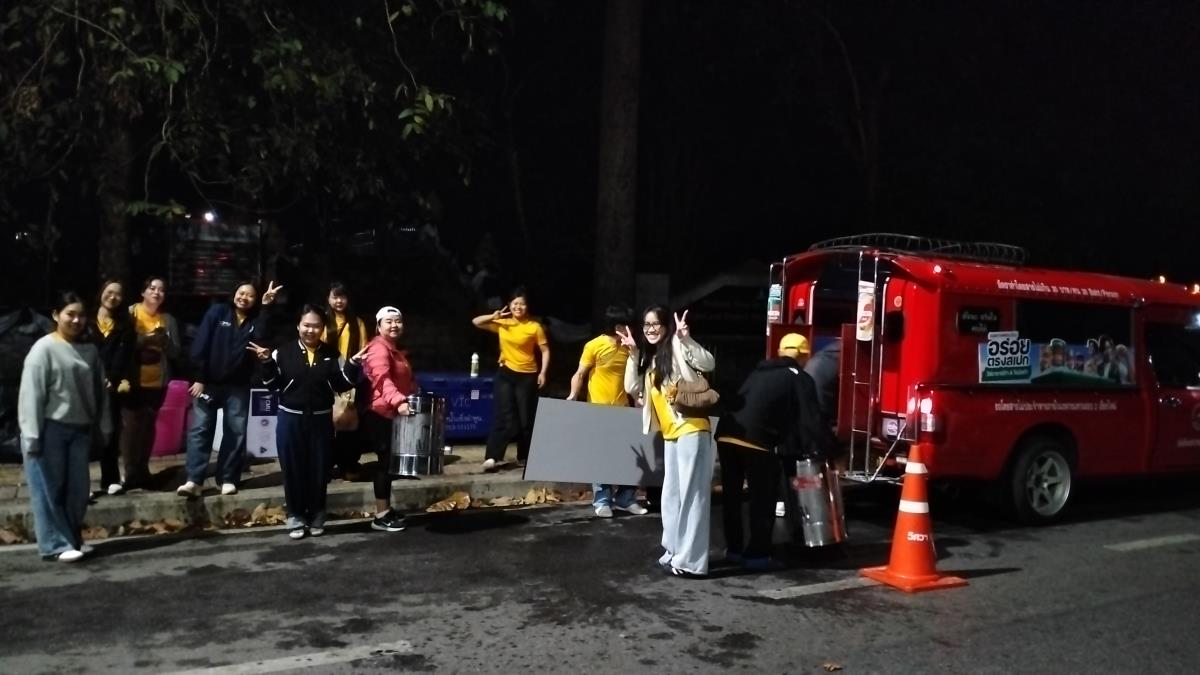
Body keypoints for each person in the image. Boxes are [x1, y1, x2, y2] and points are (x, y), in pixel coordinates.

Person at [716, 333, 834, 570]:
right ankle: (757, 554)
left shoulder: (759, 371)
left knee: (732, 498)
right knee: (763, 497)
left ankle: (734, 550)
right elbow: (809, 420)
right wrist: (823, 449)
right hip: (757, 441)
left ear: (780, 352)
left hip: (726, 435)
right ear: (804, 356)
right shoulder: (799, 377)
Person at [249, 305, 365, 540]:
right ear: (298, 326)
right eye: (306, 325)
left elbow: (341, 384)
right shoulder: (282, 353)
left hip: (321, 420)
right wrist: (266, 362)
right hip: (290, 419)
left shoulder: (332, 354)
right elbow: (272, 385)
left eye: (316, 326)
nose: (310, 330)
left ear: (322, 329)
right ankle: (295, 515)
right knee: (293, 469)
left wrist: (353, 364)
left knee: (319, 469)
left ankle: (317, 514)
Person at [617, 306, 716, 578]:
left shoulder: (676, 345)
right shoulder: (652, 358)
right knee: (671, 497)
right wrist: (633, 355)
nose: (650, 329)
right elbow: (632, 388)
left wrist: (686, 339)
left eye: (656, 324)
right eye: (646, 324)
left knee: (692, 497)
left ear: (666, 326)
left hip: (691, 428)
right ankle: (673, 550)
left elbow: (708, 363)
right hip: (671, 434)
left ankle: (692, 562)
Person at [18, 291, 112, 561]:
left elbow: (100, 392)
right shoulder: (43, 349)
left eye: (81, 315)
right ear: (56, 315)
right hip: (50, 429)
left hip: (80, 429)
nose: (76, 320)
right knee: (49, 490)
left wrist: (104, 427)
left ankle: (72, 538)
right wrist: (31, 436)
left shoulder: (90, 350)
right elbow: (31, 395)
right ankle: (54, 544)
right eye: (70, 314)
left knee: (78, 490)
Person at [176, 281, 281, 498]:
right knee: (200, 430)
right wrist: (199, 378)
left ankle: (227, 478)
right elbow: (201, 344)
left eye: (250, 295)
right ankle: (194, 480)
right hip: (208, 383)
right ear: (234, 294)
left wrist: (266, 306)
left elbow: (262, 338)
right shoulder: (218, 312)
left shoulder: (255, 320)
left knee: (236, 432)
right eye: (241, 292)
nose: (244, 297)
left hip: (238, 386)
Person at [567, 304, 648, 518]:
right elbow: (580, 373)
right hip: (598, 410)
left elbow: (635, 378)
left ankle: (625, 498)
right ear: (615, 326)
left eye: (630, 325)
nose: (628, 328)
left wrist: (638, 399)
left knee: (630, 457)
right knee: (601, 457)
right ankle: (602, 501)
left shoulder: (631, 347)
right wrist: (573, 395)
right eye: (624, 325)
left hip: (623, 409)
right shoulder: (595, 345)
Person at [472, 287, 550, 472]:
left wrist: (543, 373)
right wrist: (493, 316)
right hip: (505, 373)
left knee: (525, 419)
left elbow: (545, 350)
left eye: (522, 304)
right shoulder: (503, 323)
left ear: (527, 307)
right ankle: (492, 457)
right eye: (515, 304)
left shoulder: (534, 327)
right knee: (503, 415)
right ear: (509, 305)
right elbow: (476, 322)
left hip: (527, 376)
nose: (518, 307)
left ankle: (525, 456)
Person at [120, 276, 180, 490]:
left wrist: (165, 342)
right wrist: (144, 339)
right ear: (143, 292)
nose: (156, 292)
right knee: (131, 426)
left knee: (148, 425)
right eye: (152, 288)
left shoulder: (168, 320)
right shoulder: (130, 313)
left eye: (161, 290)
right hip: (132, 380)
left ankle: (143, 469)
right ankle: (130, 471)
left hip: (157, 381)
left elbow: (175, 352)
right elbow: (122, 343)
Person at [361, 306, 415, 533]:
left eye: (398, 321)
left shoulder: (393, 349)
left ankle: (386, 509)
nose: (394, 325)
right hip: (379, 413)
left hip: (391, 412)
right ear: (378, 326)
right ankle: (380, 516)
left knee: (390, 464)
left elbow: (405, 380)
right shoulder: (378, 348)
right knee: (384, 465)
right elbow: (382, 379)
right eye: (389, 321)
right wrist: (399, 401)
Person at [88, 279, 135, 496]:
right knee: (84, 435)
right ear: (101, 293)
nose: (113, 297)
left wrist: (114, 379)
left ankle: (111, 479)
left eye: (118, 294)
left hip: (111, 386)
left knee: (110, 432)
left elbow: (126, 357)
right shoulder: (87, 321)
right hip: (86, 384)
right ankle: (81, 484)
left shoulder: (125, 325)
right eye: (109, 292)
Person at [324, 282, 370, 480]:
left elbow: (363, 350)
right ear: (328, 299)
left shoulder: (357, 323)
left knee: (349, 425)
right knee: (326, 425)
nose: (339, 301)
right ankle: (326, 465)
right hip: (326, 377)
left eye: (342, 297)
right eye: (335, 297)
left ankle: (348, 464)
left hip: (350, 377)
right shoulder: (322, 321)